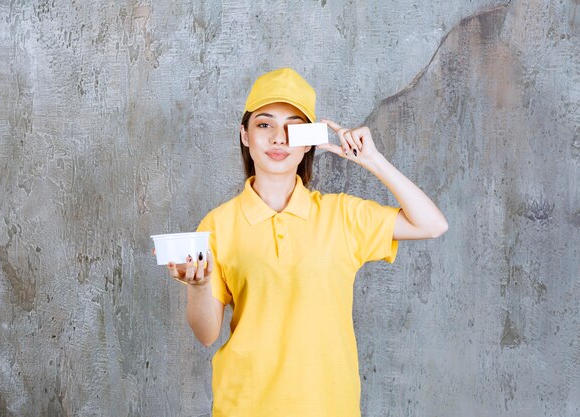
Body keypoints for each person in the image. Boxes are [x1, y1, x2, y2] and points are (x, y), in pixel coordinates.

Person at [166, 68, 448, 417]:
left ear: (310, 139)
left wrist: (372, 160)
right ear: (245, 134)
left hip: (329, 407)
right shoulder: (218, 225)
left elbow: (432, 224)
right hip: (244, 406)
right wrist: (199, 285)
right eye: (264, 124)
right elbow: (207, 334)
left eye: (294, 127)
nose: (279, 139)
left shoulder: (342, 216)